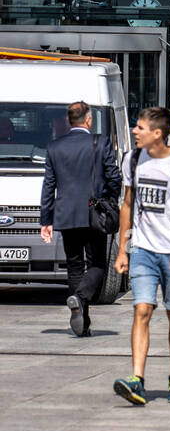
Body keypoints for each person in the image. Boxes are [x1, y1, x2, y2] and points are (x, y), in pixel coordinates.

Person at [112, 107, 170, 406]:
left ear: (157, 133)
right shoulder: (133, 159)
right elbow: (127, 205)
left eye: (139, 127)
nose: (135, 132)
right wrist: (123, 248)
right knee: (142, 311)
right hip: (143, 250)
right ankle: (137, 379)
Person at [39, 100, 122, 338]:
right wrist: (110, 201)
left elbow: (49, 186)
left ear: (68, 121)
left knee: (74, 264)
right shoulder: (100, 142)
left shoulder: (54, 147)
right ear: (89, 120)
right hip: (94, 213)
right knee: (96, 264)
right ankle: (81, 298)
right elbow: (113, 177)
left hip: (66, 214)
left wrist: (46, 219)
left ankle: (82, 322)